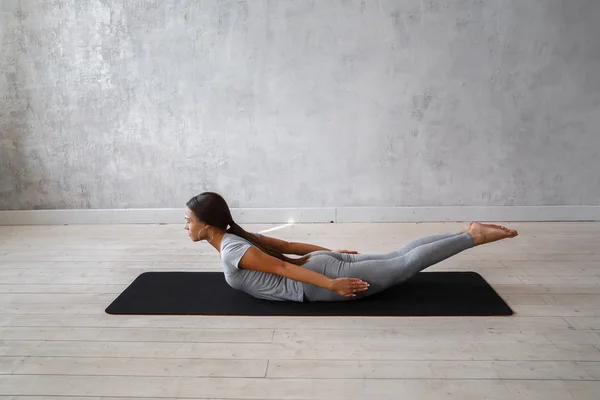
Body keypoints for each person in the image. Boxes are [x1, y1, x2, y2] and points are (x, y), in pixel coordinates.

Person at [185, 192, 518, 302]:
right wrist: (327, 253)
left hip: (313, 283)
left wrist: (332, 282)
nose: (186, 226)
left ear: (207, 225)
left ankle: (472, 237)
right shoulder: (236, 236)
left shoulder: (232, 249)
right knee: (397, 255)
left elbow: (286, 268)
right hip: (319, 263)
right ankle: (466, 232)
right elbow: (286, 245)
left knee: (403, 268)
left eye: (188, 220)